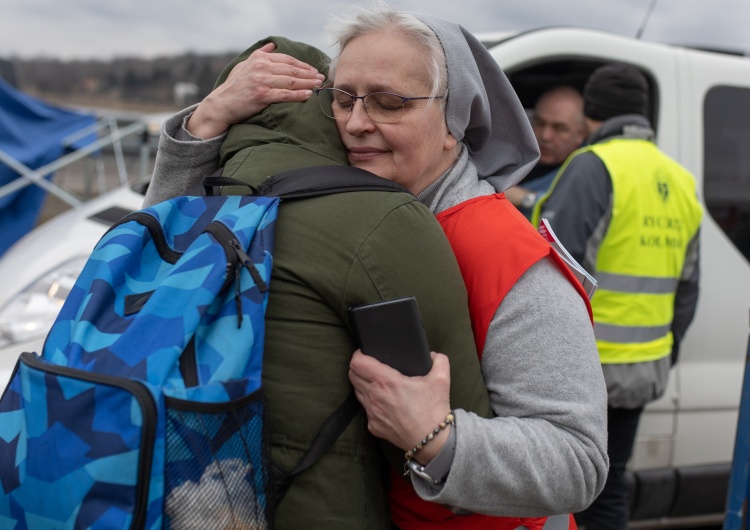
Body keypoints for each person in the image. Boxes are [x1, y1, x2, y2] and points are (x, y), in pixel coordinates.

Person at [145, 6, 609, 529]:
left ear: (454, 122)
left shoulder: (504, 252)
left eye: (390, 104)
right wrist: (206, 121)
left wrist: (436, 437)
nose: (357, 124)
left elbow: (578, 462)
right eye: (343, 100)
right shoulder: (336, 210)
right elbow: (168, 256)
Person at [532, 64, 704, 530]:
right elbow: (688, 290)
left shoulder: (594, 165)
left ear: (592, 114)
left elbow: (555, 268)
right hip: (642, 369)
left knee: (565, 492)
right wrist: (662, 352)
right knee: (608, 491)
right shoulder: (680, 180)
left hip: (582, 368)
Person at [504, 85, 586, 218]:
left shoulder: (587, 170)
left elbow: (575, 214)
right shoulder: (513, 152)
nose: (545, 136)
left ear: (581, 134)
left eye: (559, 128)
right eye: (539, 123)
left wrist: (527, 198)